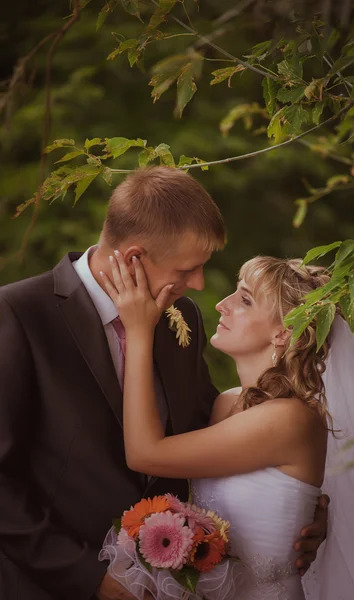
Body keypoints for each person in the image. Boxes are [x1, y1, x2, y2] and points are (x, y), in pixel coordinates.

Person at [0, 166, 327, 600]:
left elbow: (212, 437)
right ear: (134, 258)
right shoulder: (19, 314)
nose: (197, 284)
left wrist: (303, 511)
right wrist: (87, 577)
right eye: (189, 268)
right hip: (46, 587)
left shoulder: (180, 318)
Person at [101, 251, 332, 600]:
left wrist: (138, 331)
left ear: (284, 333)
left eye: (245, 299)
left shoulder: (290, 416)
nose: (223, 305)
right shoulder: (227, 402)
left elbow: (146, 453)